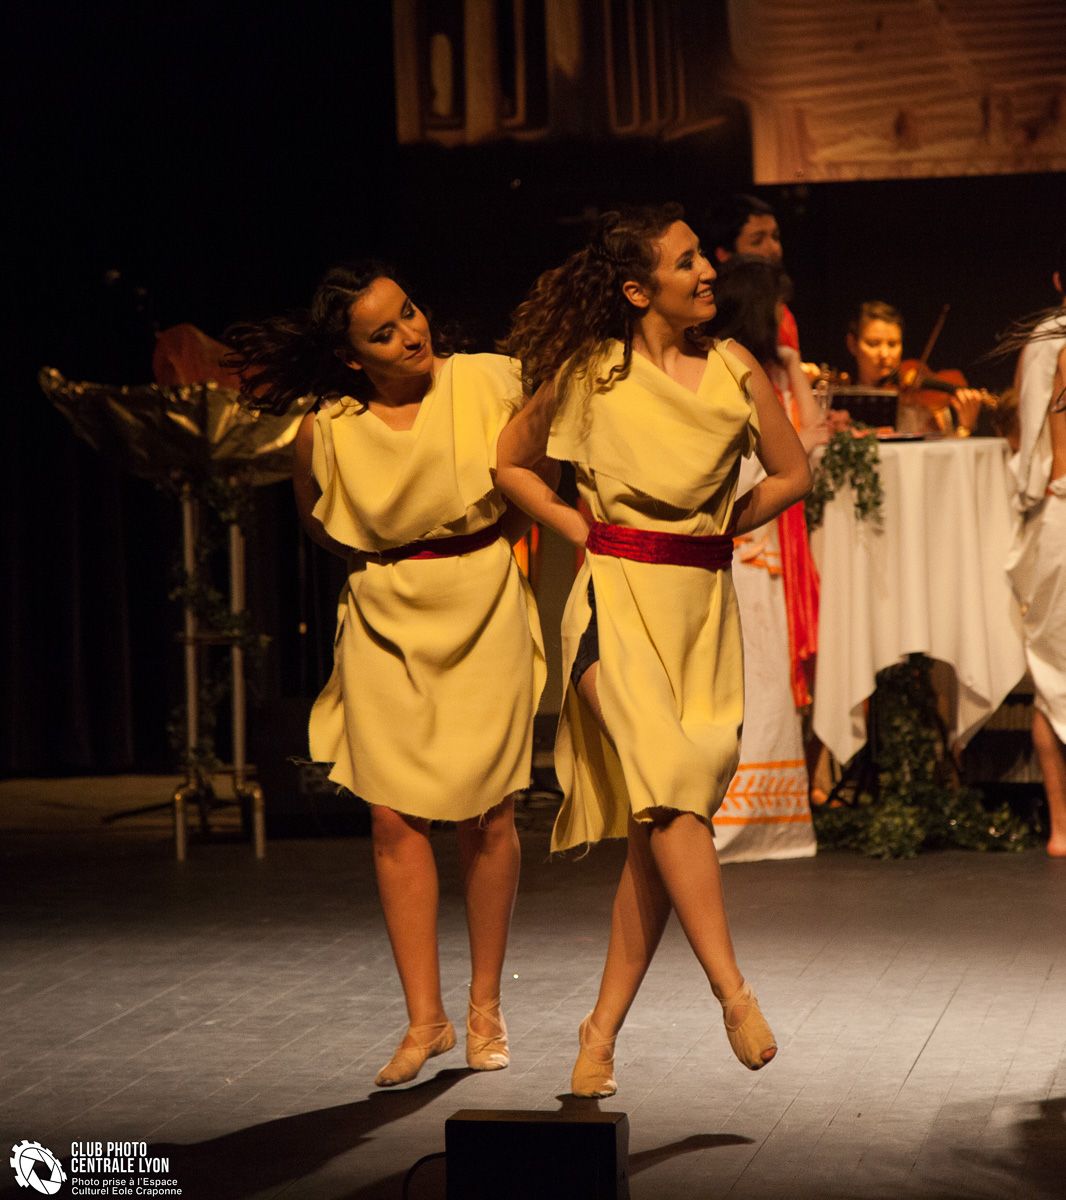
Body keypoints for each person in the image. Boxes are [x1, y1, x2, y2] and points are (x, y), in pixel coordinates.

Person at [497, 205, 812, 1096]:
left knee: (659, 833)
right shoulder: (592, 374)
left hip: (700, 613)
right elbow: (511, 461)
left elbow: (794, 473)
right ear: (639, 290)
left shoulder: (735, 367)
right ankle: (733, 993)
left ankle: (598, 1036)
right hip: (614, 606)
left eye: (702, 256)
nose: (708, 270)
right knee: (673, 792)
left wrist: (719, 527)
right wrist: (578, 526)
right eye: (686, 262)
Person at [226, 262, 546, 1085]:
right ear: (351, 356)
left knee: (489, 811)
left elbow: (531, 484)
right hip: (384, 615)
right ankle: (424, 1020)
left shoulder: (488, 381)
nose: (411, 333)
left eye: (409, 311)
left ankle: (484, 1008)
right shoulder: (327, 427)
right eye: (384, 332)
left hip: (483, 602)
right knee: (391, 818)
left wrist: (480, 552)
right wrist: (396, 564)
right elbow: (321, 523)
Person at [706, 255, 826, 859]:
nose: (785, 318)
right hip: (744, 547)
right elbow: (754, 466)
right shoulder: (725, 375)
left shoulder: (768, 374)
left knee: (769, 684)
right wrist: (803, 442)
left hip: (770, 551)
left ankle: (772, 820)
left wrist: (791, 364)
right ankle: (730, 817)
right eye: (777, 308)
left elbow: (814, 434)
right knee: (745, 679)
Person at [1001, 254, 1066, 857]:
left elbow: (1029, 444)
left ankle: (1061, 829)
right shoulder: (1051, 341)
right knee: (1055, 675)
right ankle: (1061, 827)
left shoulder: (1048, 340)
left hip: (1056, 510)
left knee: (1055, 677)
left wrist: (1028, 488)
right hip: (1059, 507)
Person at [845, 300, 985, 435]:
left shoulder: (928, 404)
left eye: (893, 344)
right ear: (852, 344)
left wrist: (965, 427)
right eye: (873, 343)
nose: (885, 354)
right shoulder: (843, 406)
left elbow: (945, 450)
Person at [703, 193, 799, 353]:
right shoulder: (717, 318)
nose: (774, 248)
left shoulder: (780, 308)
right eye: (757, 241)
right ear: (724, 254)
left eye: (775, 237)